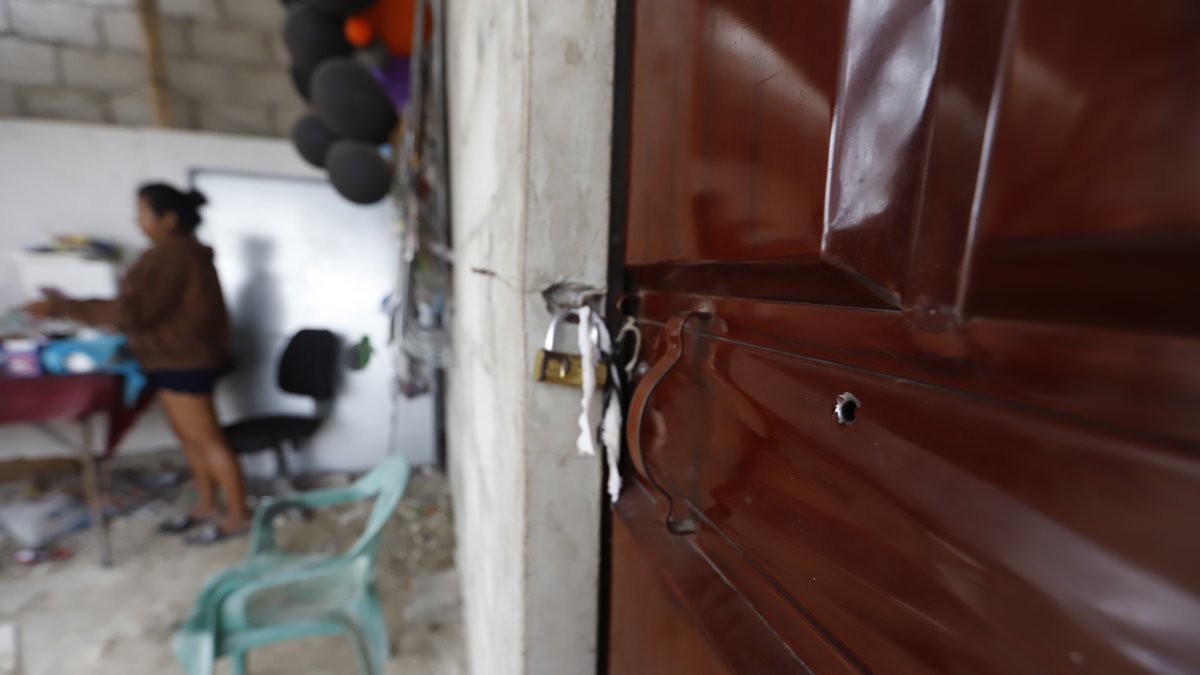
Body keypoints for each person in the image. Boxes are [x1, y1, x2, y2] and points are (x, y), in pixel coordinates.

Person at [25, 183, 250, 545]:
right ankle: (207, 504)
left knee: (207, 440)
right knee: (190, 439)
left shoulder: (172, 255)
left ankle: (239, 515)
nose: (137, 220)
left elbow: (133, 311)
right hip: (174, 359)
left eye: (143, 212)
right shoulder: (172, 254)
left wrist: (62, 307)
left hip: (185, 361)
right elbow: (142, 310)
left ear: (169, 219)